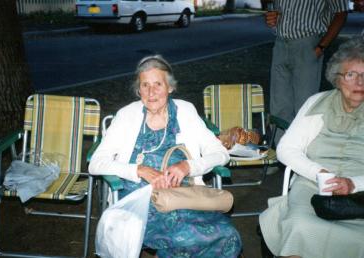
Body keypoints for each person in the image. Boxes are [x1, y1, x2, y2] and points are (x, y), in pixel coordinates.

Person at [89, 55, 242, 257]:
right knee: (184, 238)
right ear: (139, 90)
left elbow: (220, 153)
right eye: (145, 85)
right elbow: (96, 164)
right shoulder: (126, 115)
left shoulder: (186, 111)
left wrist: (189, 166)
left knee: (229, 235)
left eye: (158, 84)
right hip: (141, 201)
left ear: (170, 87)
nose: (151, 92)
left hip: (183, 196)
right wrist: (138, 170)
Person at [259, 37, 364, 258]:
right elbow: (286, 149)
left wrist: (353, 183)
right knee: (300, 225)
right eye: (351, 75)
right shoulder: (317, 103)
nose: (359, 83)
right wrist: (320, 173)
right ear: (337, 79)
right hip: (312, 185)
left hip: (360, 193)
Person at [265, 0, 349, 134]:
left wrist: (321, 47)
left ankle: (302, 151)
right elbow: (273, 7)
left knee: (305, 107)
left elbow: (341, 13)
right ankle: (280, 150)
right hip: (280, 44)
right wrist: (271, 17)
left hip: (307, 44)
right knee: (279, 107)